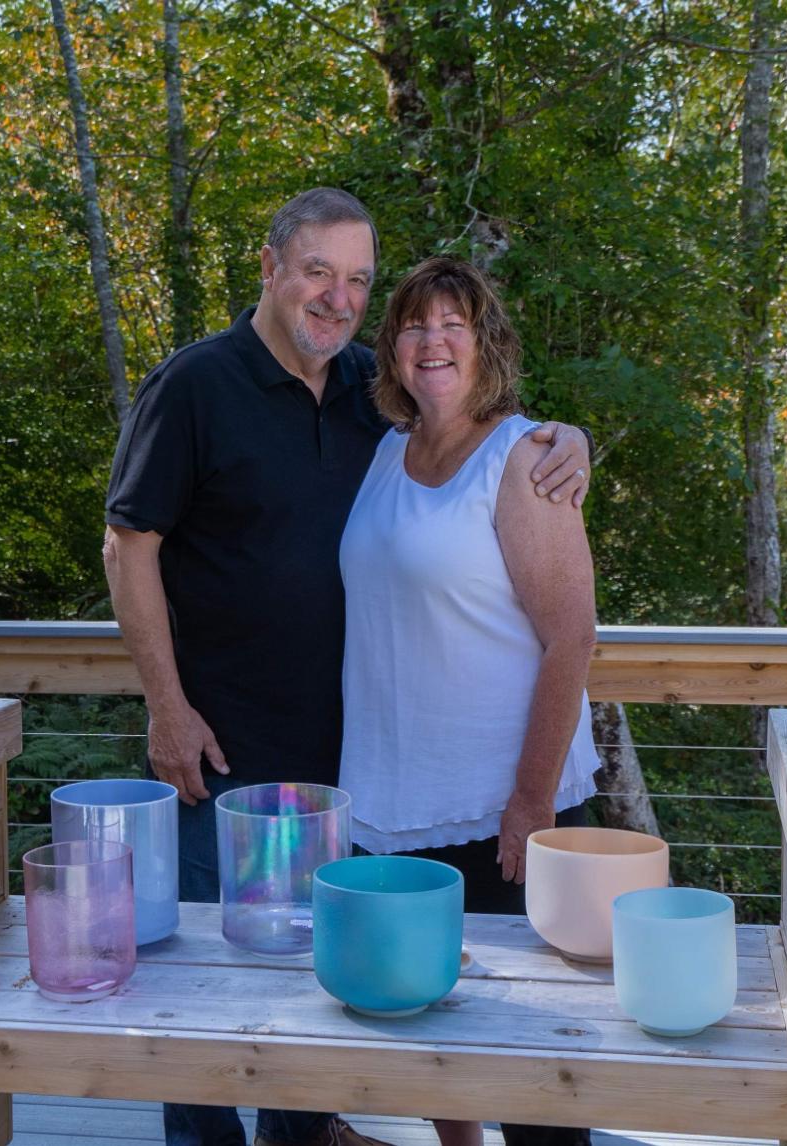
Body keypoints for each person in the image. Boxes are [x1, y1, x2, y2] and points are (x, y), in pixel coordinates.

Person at [102, 189, 592, 1146]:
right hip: (226, 752)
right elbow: (130, 545)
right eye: (319, 271)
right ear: (272, 266)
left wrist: (566, 442)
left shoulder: (377, 393)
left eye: (359, 280)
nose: (336, 296)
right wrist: (167, 708)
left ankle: (308, 1139)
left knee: (316, 991)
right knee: (211, 989)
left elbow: (481, 431)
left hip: (355, 769)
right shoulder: (196, 386)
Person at [337, 256, 600, 1146]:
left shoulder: (524, 456)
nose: (432, 341)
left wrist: (530, 801)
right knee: (431, 1025)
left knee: (533, 1058)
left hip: (508, 806)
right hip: (398, 797)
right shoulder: (383, 452)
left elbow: (574, 637)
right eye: (413, 326)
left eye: (453, 324)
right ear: (393, 351)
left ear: (485, 343)